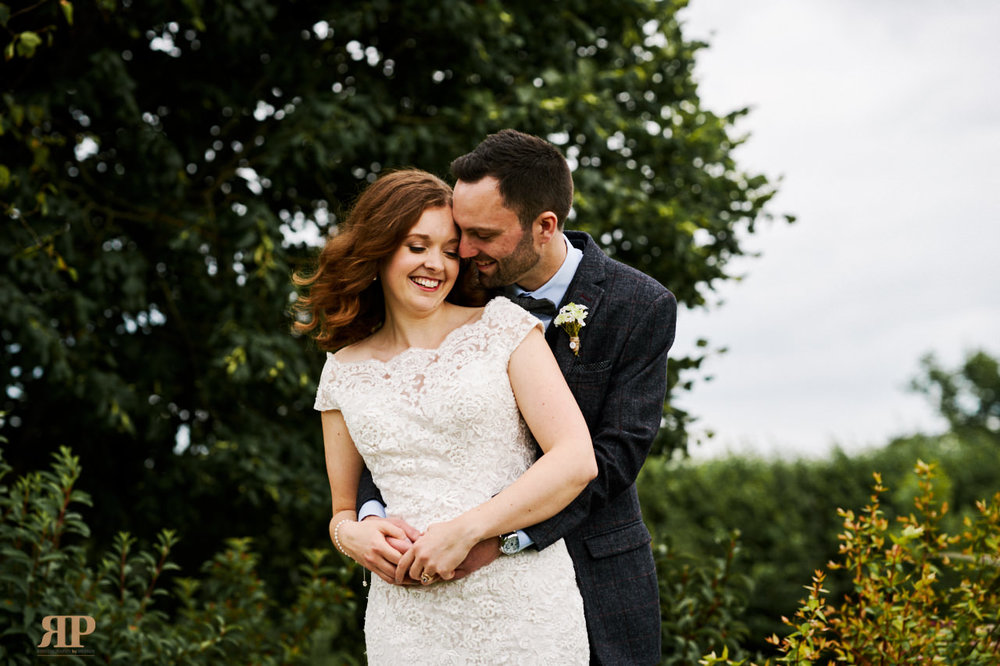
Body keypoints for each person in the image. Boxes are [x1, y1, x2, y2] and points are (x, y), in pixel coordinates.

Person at [356, 131, 677, 665]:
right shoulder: (460, 288)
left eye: (482, 234)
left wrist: (501, 536)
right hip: (449, 583)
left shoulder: (639, 305)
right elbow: (403, 414)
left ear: (544, 226)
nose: (462, 249)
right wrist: (369, 516)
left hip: (594, 569)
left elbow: (615, 456)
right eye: (461, 230)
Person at [294, 169, 597, 664]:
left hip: (521, 609)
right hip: (407, 621)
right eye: (417, 246)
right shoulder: (341, 372)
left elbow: (575, 460)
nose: (436, 264)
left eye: (450, 250)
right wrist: (354, 539)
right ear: (380, 248)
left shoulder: (504, 328)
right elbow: (343, 511)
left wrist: (469, 530)